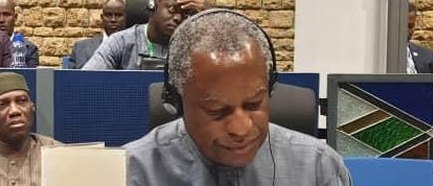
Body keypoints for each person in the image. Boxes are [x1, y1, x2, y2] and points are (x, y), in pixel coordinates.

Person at [124, 9, 351, 185]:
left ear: (270, 89)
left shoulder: (317, 167)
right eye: (217, 111)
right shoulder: (131, 171)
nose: (240, 129)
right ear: (176, 100)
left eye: (253, 104)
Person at [82, 0, 206, 70]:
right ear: (153, 6)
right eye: (172, 9)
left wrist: (211, 14)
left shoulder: (193, 47)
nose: (178, 18)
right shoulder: (120, 43)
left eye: (185, 13)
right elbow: (82, 85)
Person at [68, 0, 126, 69]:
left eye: (118, 15)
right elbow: (69, 79)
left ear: (126, 18)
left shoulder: (135, 49)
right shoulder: (81, 48)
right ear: (102, 18)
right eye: (108, 15)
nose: (113, 20)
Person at [0, 0, 39, 67]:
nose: (1, 20)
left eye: (6, 15)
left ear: (15, 17)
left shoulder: (29, 49)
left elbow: (35, 77)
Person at [406, 3, 433, 73]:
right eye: (403, 25)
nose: (406, 31)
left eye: (410, 26)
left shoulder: (429, 58)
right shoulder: (381, 58)